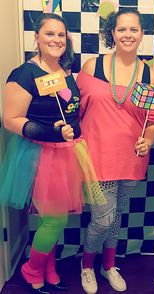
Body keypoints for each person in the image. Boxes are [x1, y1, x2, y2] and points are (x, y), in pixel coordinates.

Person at [0, 13, 104, 294]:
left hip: (67, 152)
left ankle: (49, 268)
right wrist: (52, 132)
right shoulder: (25, 73)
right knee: (54, 218)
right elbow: (10, 119)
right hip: (39, 155)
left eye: (61, 35)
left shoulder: (64, 71)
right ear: (37, 37)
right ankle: (31, 268)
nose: (56, 40)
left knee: (55, 217)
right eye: (49, 34)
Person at [76, 8, 154, 294]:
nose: (127, 35)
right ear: (112, 33)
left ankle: (109, 264)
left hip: (131, 158)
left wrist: (149, 140)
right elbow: (75, 110)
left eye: (134, 29)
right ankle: (87, 265)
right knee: (102, 217)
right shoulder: (93, 66)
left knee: (115, 217)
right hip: (96, 156)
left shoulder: (150, 74)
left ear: (141, 34)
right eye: (121, 29)